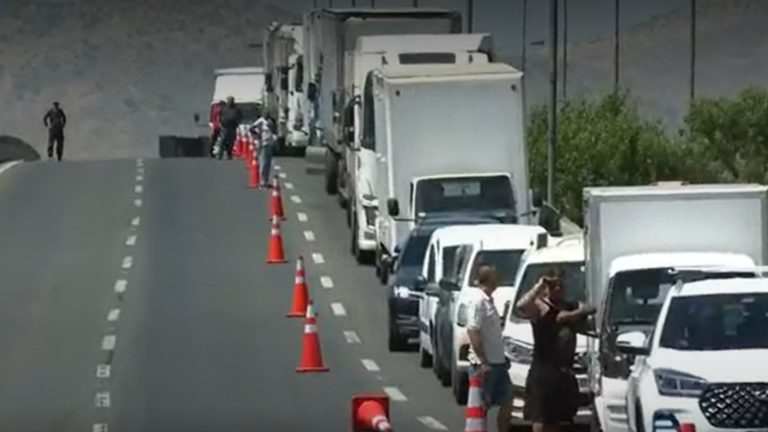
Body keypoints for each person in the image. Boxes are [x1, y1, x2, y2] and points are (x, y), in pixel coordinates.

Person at [516, 269, 597, 432]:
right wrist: (540, 284)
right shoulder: (540, 307)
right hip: (543, 370)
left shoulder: (570, 306)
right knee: (540, 419)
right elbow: (522, 305)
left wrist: (573, 315)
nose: (558, 289)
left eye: (561, 285)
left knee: (556, 420)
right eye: (553, 286)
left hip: (563, 372)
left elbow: (590, 310)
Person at [466, 265, 514, 432]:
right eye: (495, 276)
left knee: (508, 400)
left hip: (498, 362)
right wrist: (483, 360)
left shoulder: (489, 300)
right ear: (488, 279)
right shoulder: (478, 301)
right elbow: (473, 331)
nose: (498, 280)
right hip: (484, 365)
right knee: (482, 407)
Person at [250, 112, 277, 187]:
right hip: (263, 143)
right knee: (263, 163)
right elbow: (251, 128)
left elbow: (273, 130)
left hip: (269, 143)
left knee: (268, 163)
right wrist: (257, 136)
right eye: (265, 114)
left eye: (267, 114)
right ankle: (262, 181)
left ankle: (266, 180)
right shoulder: (260, 121)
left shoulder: (270, 121)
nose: (266, 115)